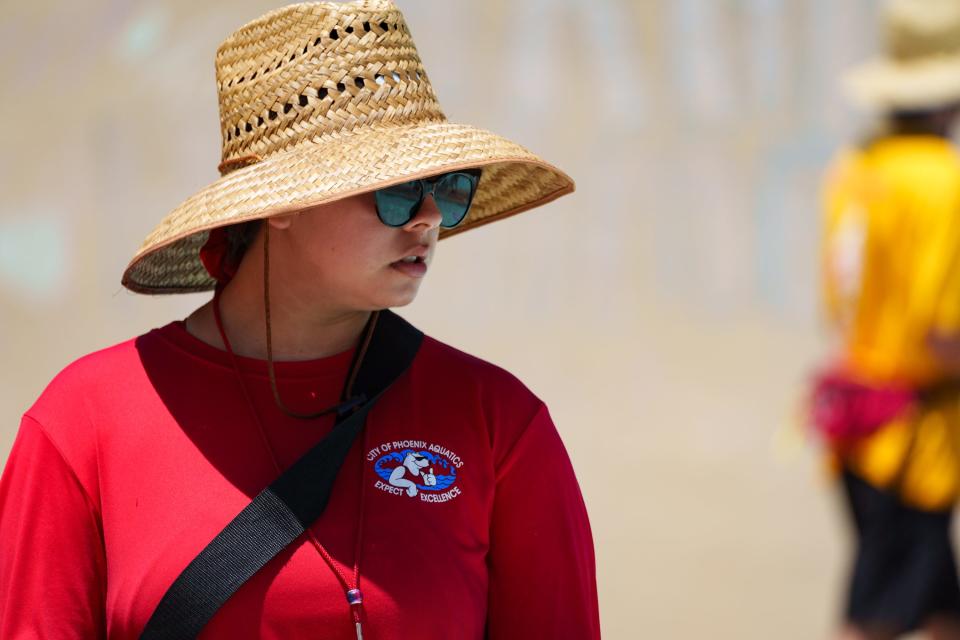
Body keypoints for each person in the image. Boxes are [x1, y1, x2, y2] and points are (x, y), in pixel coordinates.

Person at [0, 1, 600, 638]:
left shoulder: (496, 421)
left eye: (449, 187)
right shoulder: (84, 422)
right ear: (281, 204)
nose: (428, 217)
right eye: (395, 189)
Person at [816, 1, 960, 638]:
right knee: (876, 612)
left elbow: (836, 300)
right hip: (915, 437)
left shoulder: (854, 171)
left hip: (856, 419)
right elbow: (945, 331)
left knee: (937, 603)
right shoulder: (942, 184)